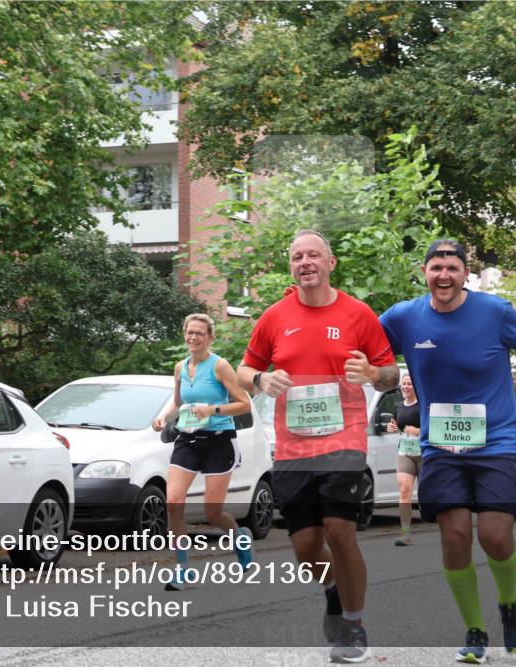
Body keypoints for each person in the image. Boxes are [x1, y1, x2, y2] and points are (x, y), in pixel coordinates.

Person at [379, 239, 516, 664]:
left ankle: (508, 603)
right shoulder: (405, 317)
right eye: (436, 267)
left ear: (466, 273)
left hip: (497, 441)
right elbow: (361, 334)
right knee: (455, 536)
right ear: (425, 272)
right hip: (441, 446)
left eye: (452, 267)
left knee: (495, 537)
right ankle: (475, 630)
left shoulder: (495, 311)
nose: (443, 275)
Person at [237, 229, 399, 664]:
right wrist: (260, 380)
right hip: (293, 447)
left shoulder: (358, 314)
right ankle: (333, 590)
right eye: (296, 257)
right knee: (307, 548)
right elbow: (243, 370)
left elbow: (390, 374)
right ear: (291, 266)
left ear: (331, 263)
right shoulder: (274, 317)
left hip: (344, 439)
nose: (304, 262)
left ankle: (354, 622)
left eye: (313, 255)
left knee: (341, 531)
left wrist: (371, 373)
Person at [152, 313, 254, 590]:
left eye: (200, 333)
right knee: (173, 501)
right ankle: (183, 568)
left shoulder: (220, 366)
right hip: (188, 439)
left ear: (210, 337)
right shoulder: (180, 368)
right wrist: (163, 418)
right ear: (184, 335)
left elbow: (243, 403)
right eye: (190, 332)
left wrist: (212, 410)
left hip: (219, 441)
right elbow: (176, 403)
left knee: (212, 513)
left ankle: (239, 538)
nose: (194, 337)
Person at [386, 372, 421, 546]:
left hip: (424, 454)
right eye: (403, 384)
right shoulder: (398, 406)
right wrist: (391, 427)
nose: (405, 386)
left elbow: (435, 428)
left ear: (416, 387)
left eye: (409, 383)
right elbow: (395, 424)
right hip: (405, 452)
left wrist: (418, 431)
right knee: (405, 491)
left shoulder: (423, 405)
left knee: (430, 492)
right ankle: (405, 533)